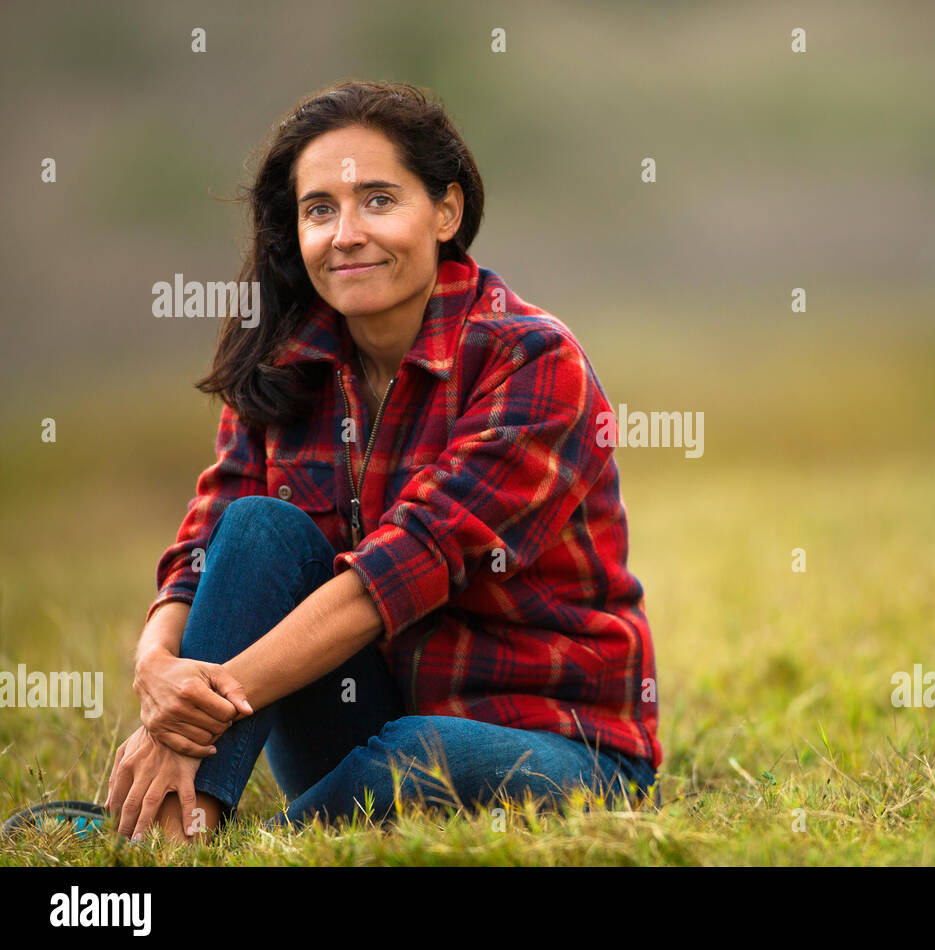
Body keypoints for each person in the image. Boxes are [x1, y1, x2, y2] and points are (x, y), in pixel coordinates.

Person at [102, 81, 660, 842]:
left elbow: (406, 566)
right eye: (320, 209)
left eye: (379, 200)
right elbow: (206, 544)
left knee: (411, 758)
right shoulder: (285, 362)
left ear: (447, 212)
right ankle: (185, 821)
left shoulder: (530, 360)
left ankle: (241, 844)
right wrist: (156, 667)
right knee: (259, 524)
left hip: (556, 744)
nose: (346, 234)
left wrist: (187, 718)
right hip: (358, 713)